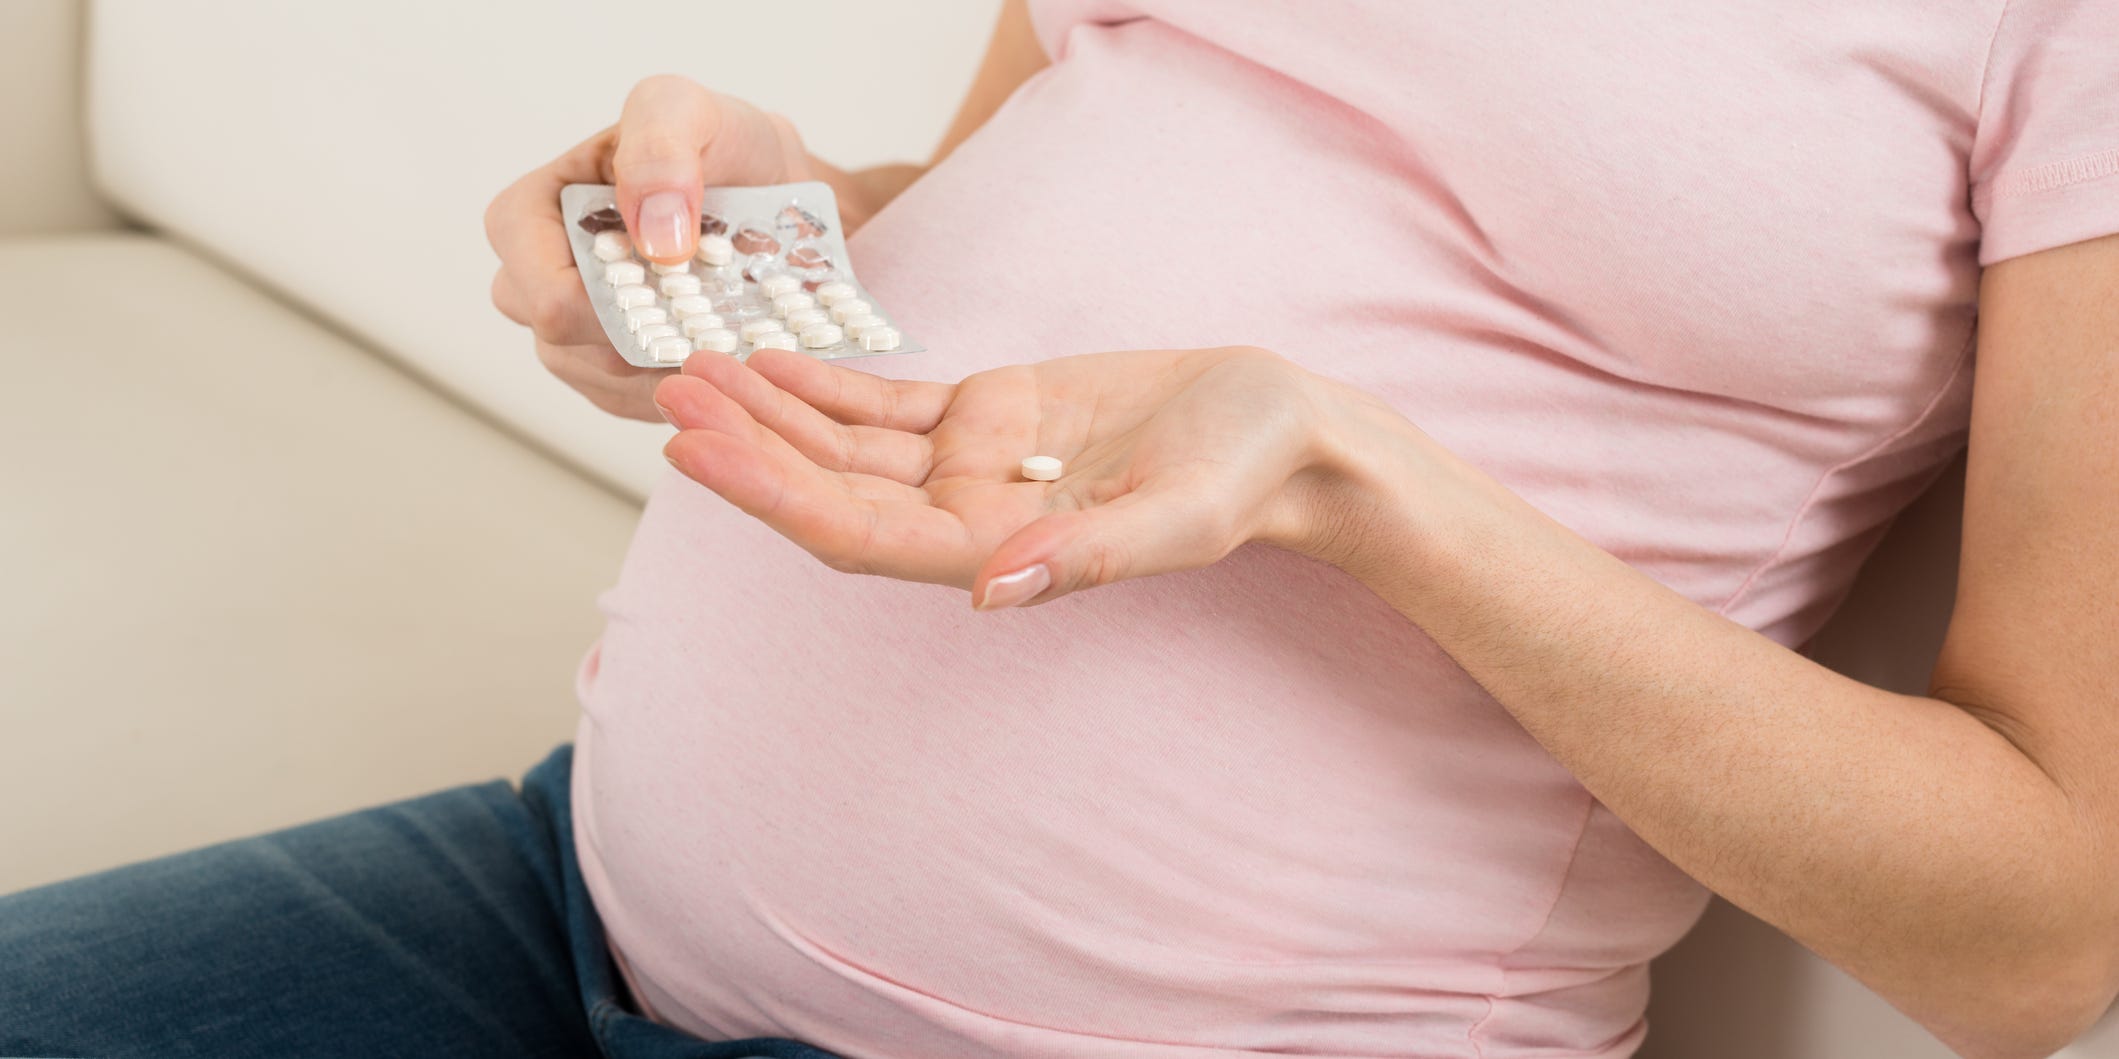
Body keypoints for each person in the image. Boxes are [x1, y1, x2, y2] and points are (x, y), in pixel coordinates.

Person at [7, 2, 2118, 1057]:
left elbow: (2036, 931)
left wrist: (1353, 483)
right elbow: (996, 209)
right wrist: (740, 247)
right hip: (563, 893)